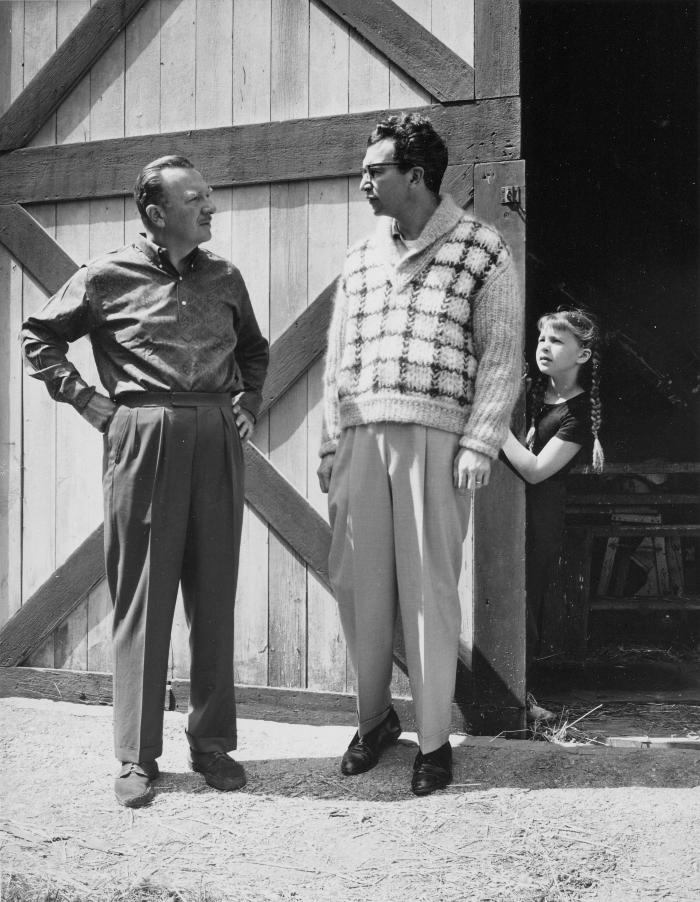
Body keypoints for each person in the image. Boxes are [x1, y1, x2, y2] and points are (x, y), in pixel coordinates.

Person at [21, 155, 269, 808]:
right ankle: (136, 755)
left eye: (209, 194)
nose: (211, 206)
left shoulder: (226, 276)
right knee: (142, 598)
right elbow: (39, 336)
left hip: (215, 434)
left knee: (213, 593)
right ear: (157, 214)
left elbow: (255, 350)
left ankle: (212, 743)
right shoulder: (106, 276)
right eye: (197, 198)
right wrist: (82, 397)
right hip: (140, 437)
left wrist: (250, 401)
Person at [317, 113, 523, 795]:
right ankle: (374, 721)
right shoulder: (358, 256)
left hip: (436, 441)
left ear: (416, 175)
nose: (363, 181)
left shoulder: (481, 247)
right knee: (359, 589)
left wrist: (481, 441)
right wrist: (329, 442)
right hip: (359, 438)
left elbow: (500, 358)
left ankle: (433, 741)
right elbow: (336, 360)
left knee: (430, 591)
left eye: (375, 170)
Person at [501, 307, 604, 671]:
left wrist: (493, 425)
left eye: (557, 341)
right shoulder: (528, 394)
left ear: (583, 355)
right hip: (503, 506)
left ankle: (521, 695)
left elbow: (535, 471)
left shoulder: (576, 416)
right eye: (542, 338)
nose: (544, 346)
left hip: (539, 514)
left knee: (525, 597)